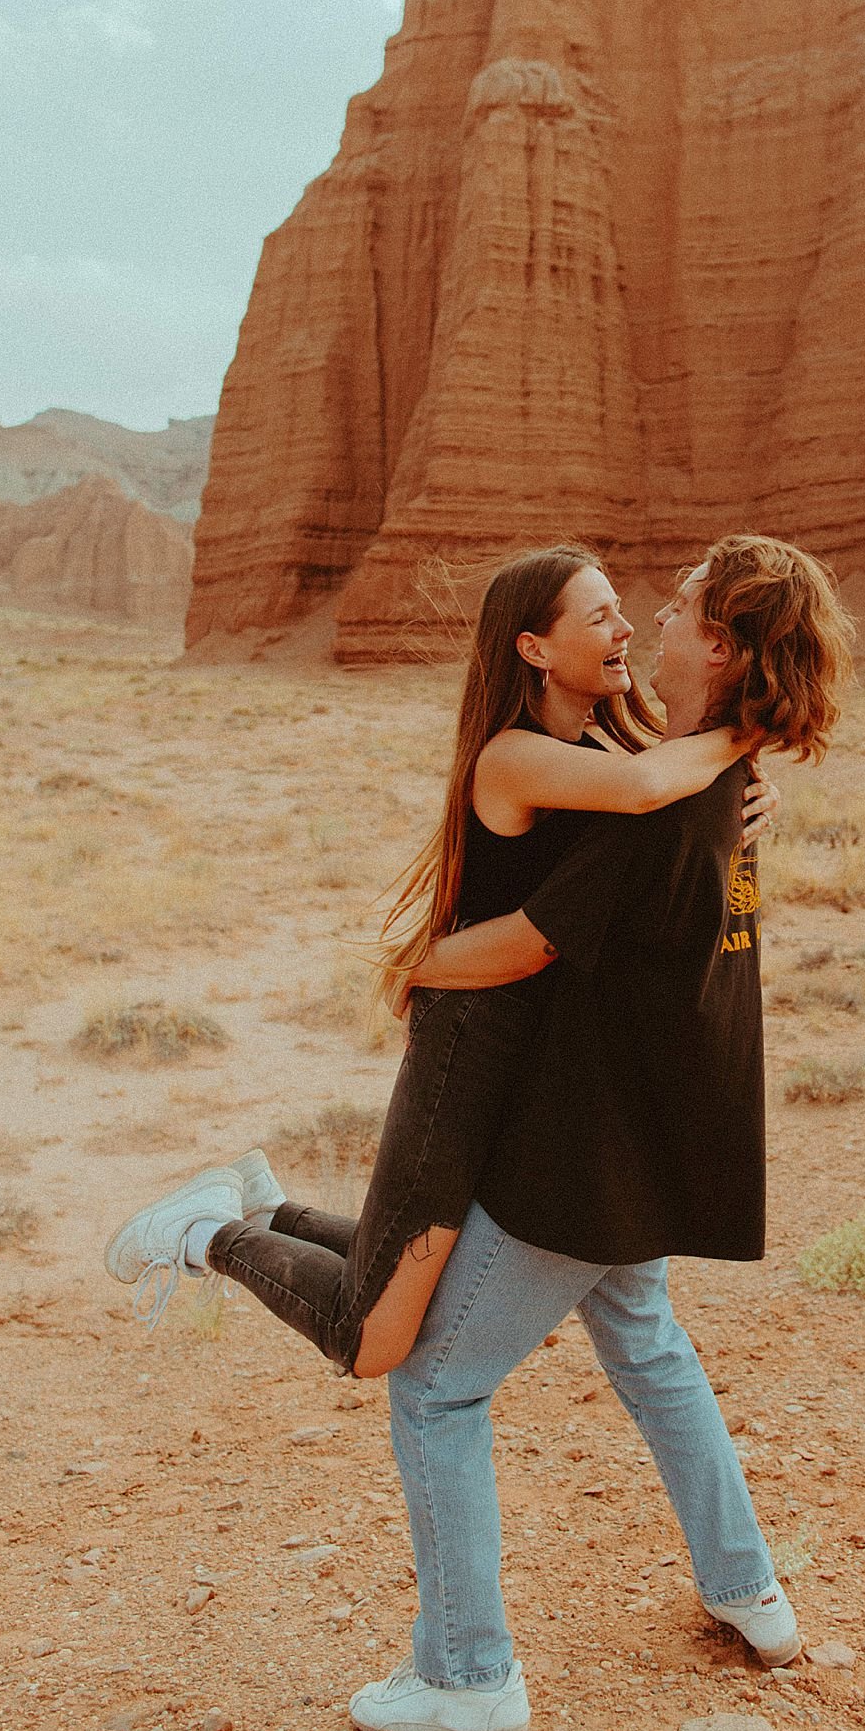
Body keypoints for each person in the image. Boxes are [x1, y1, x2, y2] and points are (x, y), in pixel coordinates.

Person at [343, 534, 852, 1731]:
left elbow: (521, 944)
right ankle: (751, 1594)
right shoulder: (701, 782)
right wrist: (752, 742)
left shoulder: (664, 793)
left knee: (436, 1384)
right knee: (648, 1345)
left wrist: (402, 967)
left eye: (670, 610)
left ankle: (469, 1676)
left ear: (719, 649)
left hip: (591, 1152)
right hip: (670, 1131)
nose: (648, 628)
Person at [101, 544, 775, 1371]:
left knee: (432, 1260)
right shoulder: (513, 755)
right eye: (599, 615)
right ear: (533, 647)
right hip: (473, 1043)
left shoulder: (603, 750)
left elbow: (655, 800)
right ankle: (209, 1232)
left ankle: (269, 1208)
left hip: (541, 1058)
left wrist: (752, 783)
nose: (627, 625)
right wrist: (751, 730)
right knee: (372, 1337)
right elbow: (644, 799)